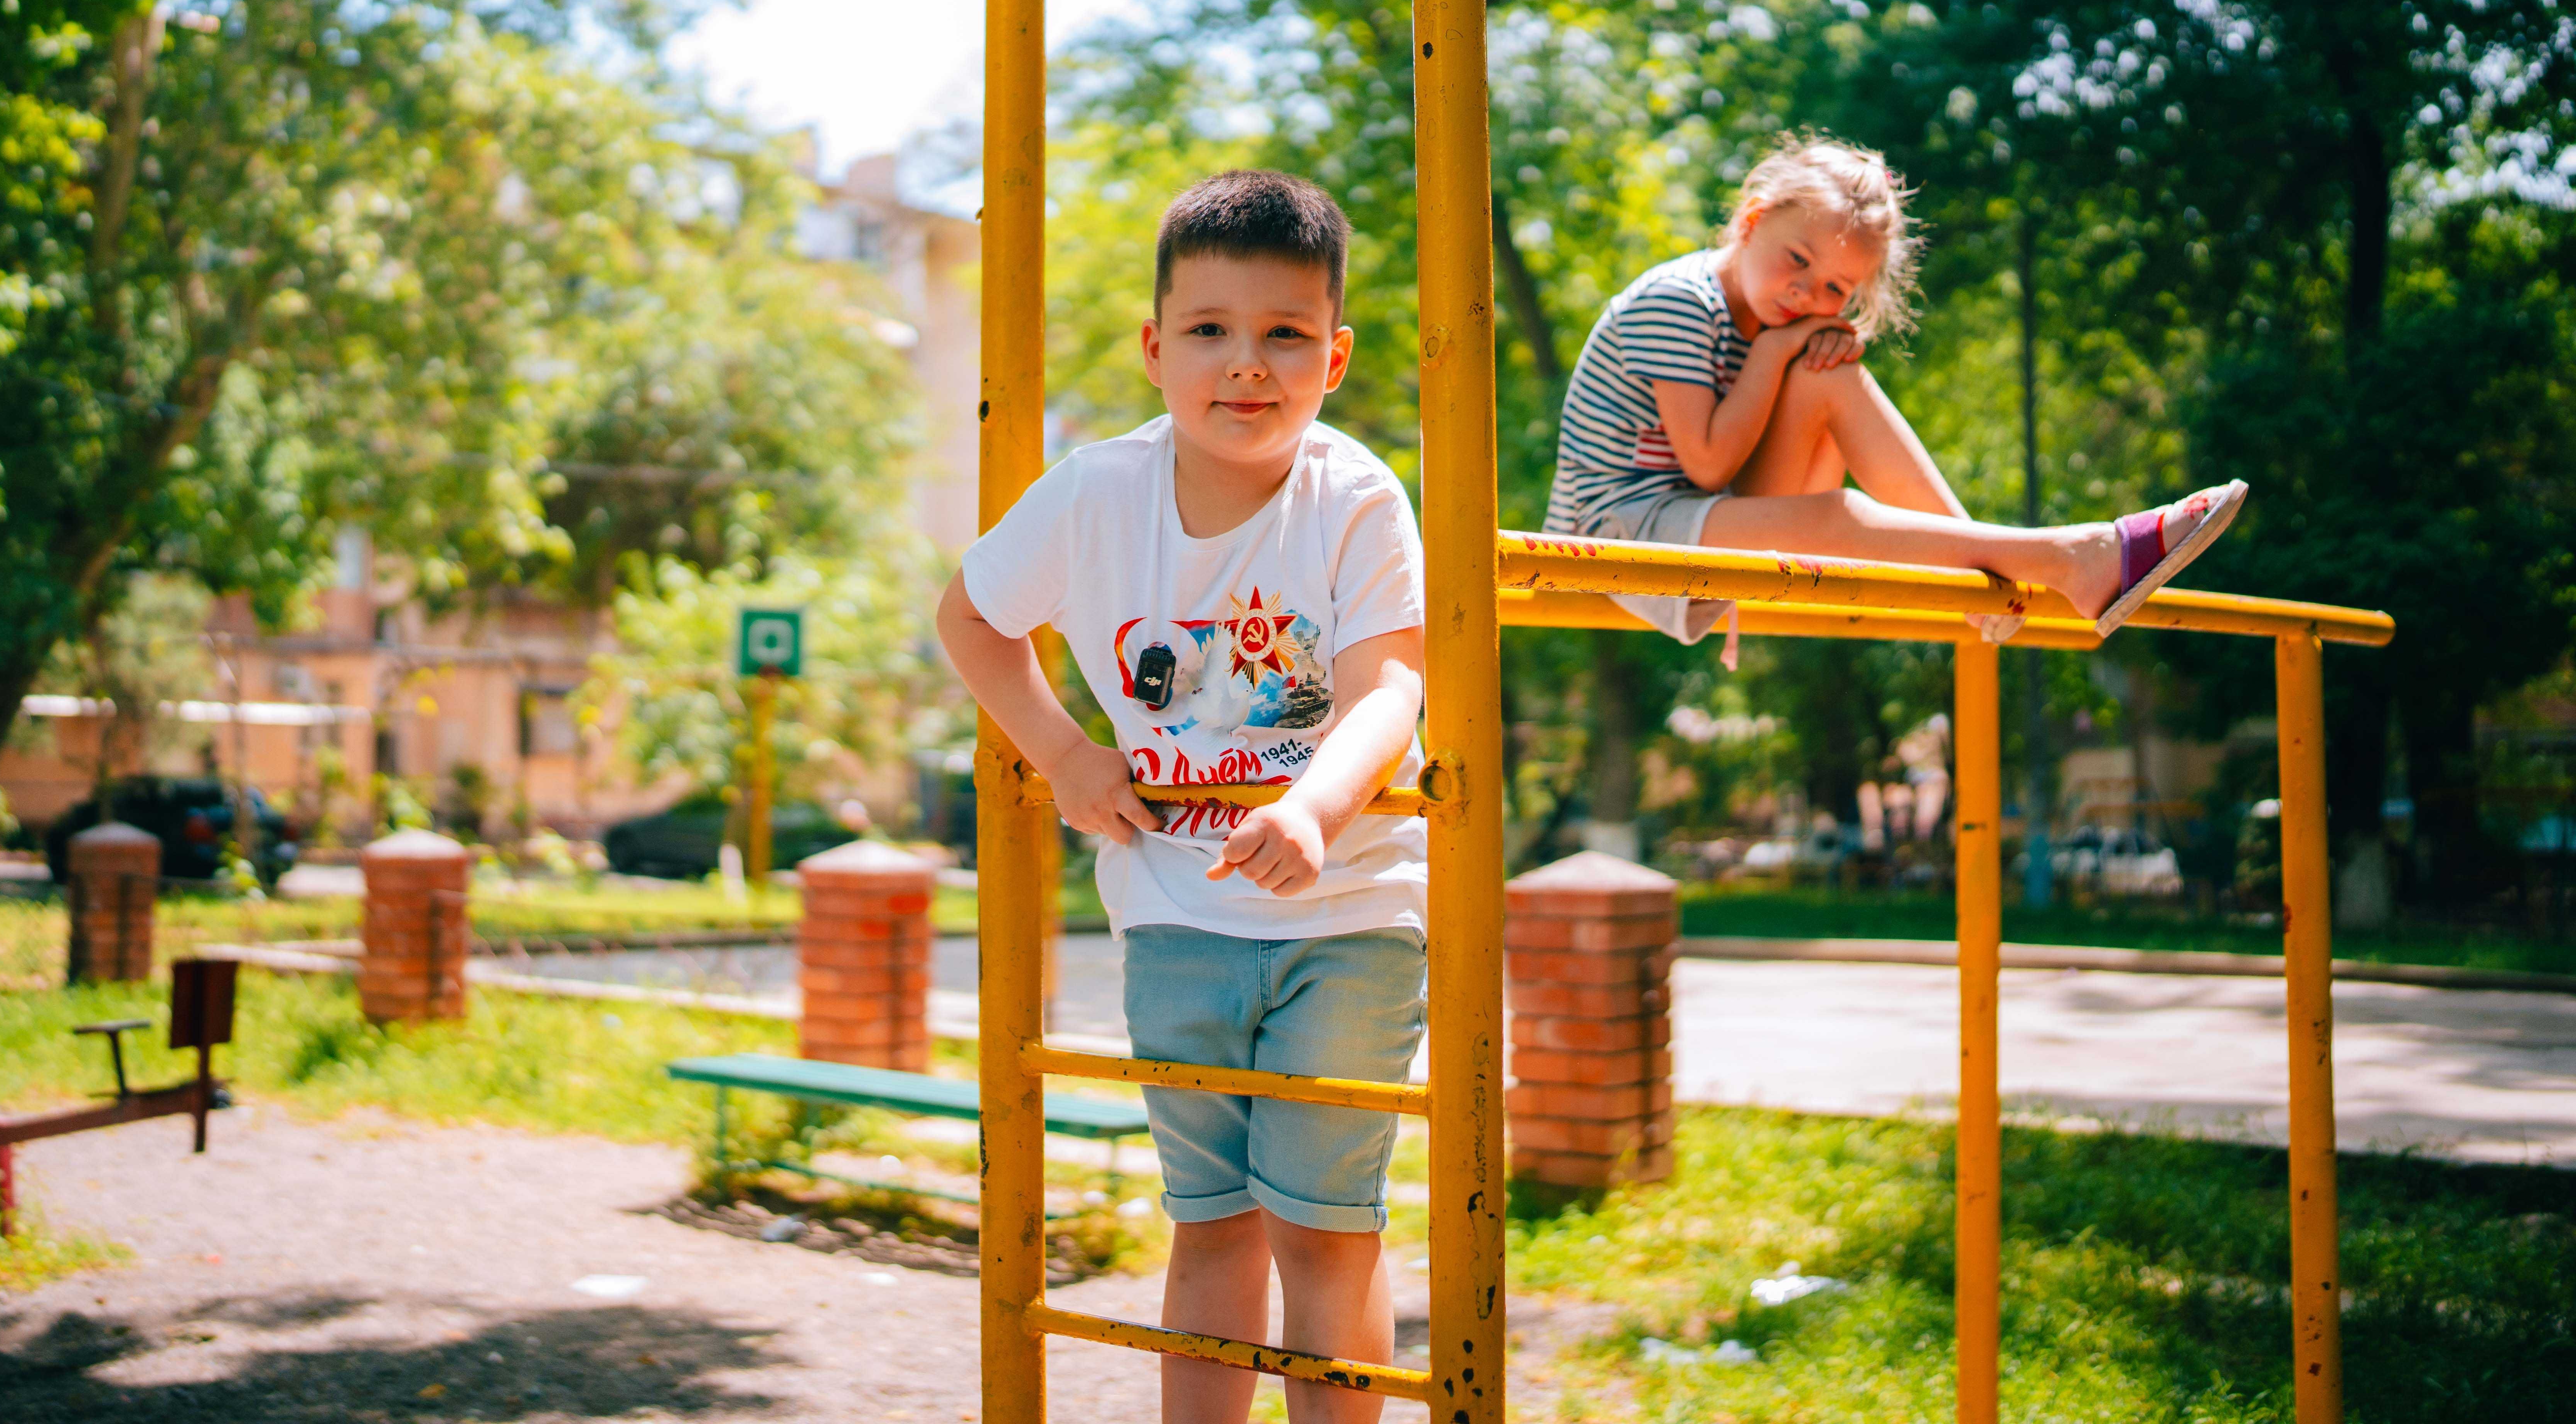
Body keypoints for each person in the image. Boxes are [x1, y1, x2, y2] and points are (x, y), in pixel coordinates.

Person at [938, 170, 1424, 1424]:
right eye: (1208, 331)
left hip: (1347, 917)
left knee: (1325, 1232)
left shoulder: (1356, 497)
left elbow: (1388, 688)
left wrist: (1314, 807)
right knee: (1212, 1229)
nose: (1244, 367)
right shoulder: (1097, 493)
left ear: (1334, 355)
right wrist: (1063, 753)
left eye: (1283, 336)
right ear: (1155, 349)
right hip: (1174, 916)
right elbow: (971, 619)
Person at [1545, 133, 2244, 652]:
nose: (1807, 293)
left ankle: (1992, 573)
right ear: (1752, 222)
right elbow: (1706, 464)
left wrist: (1787, 354)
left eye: (1834, 290)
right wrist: (1780, 349)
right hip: (1615, 533)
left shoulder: (1764, 321)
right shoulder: (1678, 302)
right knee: (1839, 506)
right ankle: (2064, 557)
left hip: (1697, 518)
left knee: (1836, 377)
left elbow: (1717, 476)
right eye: (1797, 260)